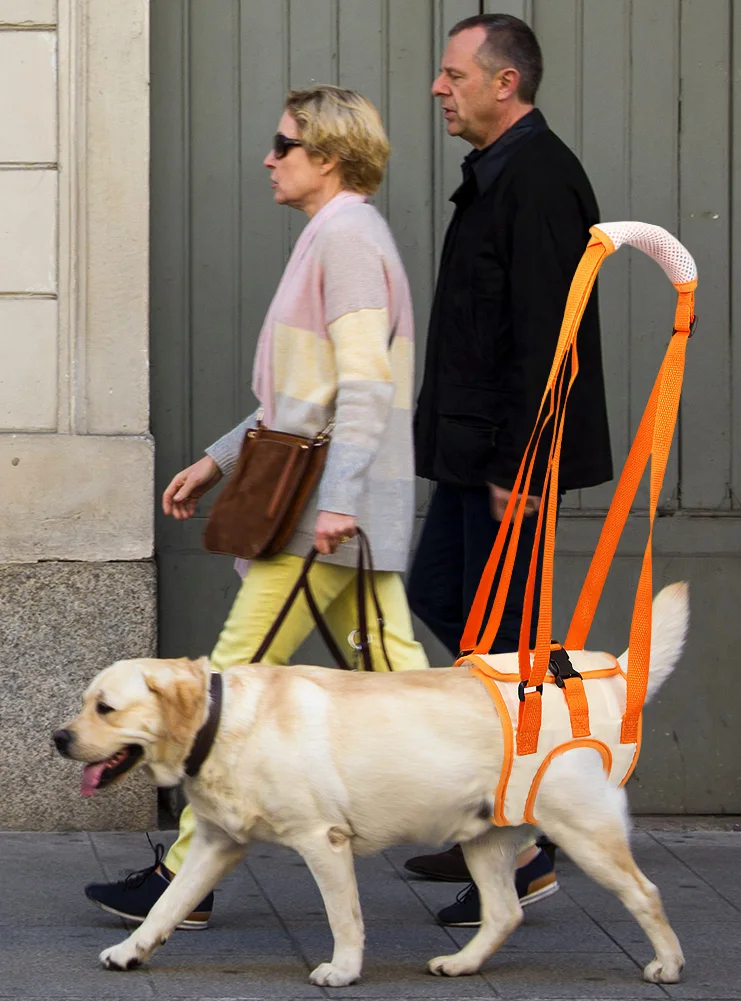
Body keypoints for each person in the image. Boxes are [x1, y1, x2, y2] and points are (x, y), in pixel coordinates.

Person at [84, 85, 430, 929]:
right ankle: (513, 827)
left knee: (227, 682)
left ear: (332, 157)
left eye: (285, 144)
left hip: (319, 513)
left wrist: (339, 502)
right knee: (405, 678)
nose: (269, 158)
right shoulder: (337, 233)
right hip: (333, 506)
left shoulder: (345, 237)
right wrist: (216, 457)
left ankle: (180, 883)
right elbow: (299, 397)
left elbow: (361, 387)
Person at [405, 15, 613, 926]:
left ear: (505, 83)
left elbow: (546, 344)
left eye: (453, 75)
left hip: (505, 463)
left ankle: (525, 844)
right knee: (456, 608)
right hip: (470, 455)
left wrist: (523, 464)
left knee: (510, 653)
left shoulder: (538, 179)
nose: (439, 89)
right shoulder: (496, 176)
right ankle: (498, 815)